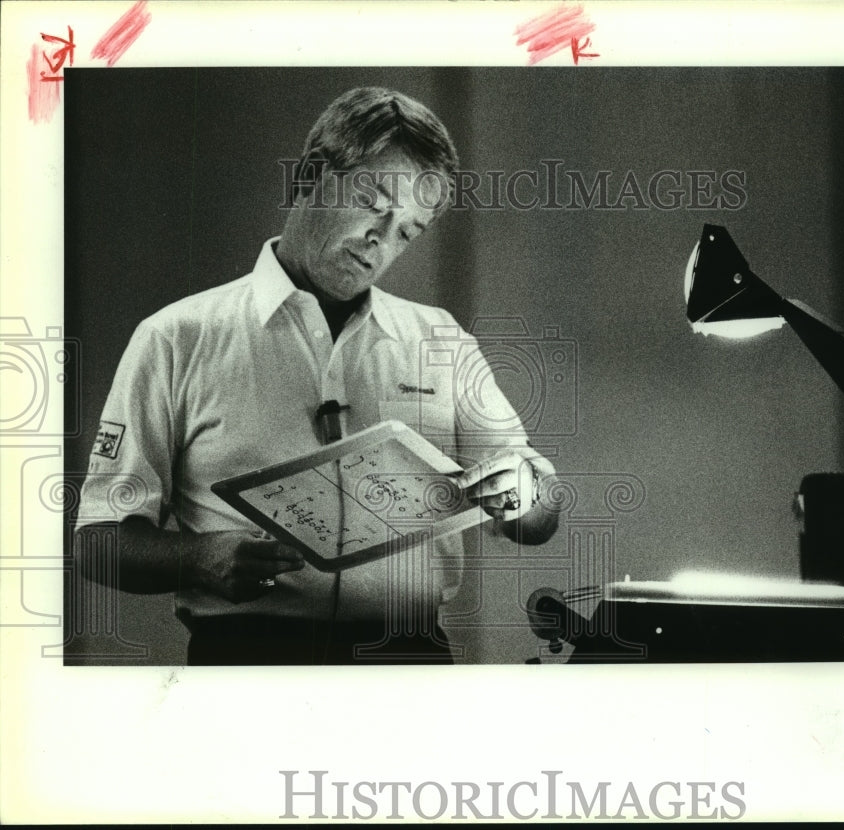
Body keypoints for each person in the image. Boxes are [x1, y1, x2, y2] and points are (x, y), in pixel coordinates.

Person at [73, 87, 559, 665]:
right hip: (247, 670)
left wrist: (525, 495)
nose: (382, 240)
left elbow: (540, 513)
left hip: (411, 666)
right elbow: (99, 544)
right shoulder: (177, 337)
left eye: (408, 230)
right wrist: (198, 558)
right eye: (373, 202)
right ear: (310, 175)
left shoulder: (441, 340)